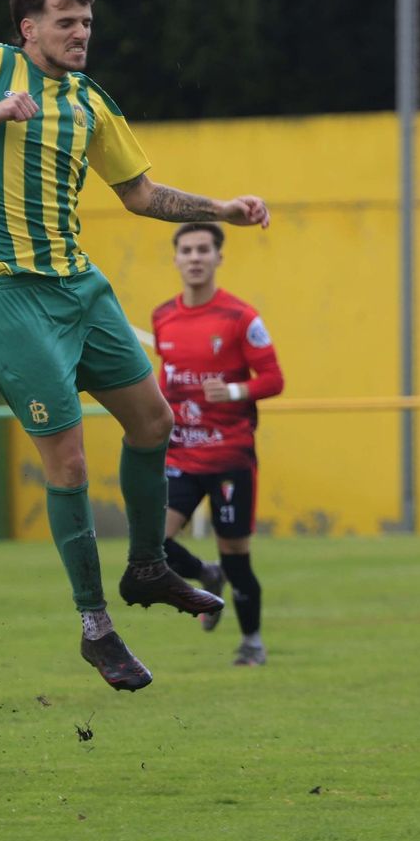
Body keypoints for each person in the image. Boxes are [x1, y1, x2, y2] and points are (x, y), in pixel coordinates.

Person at [0, 0, 269, 691]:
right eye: (66, 20)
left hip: (79, 287)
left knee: (153, 421)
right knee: (66, 462)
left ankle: (147, 567)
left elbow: (142, 193)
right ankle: (96, 626)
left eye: (87, 21)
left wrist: (219, 209)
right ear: (29, 27)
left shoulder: (90, 101)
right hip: (6, 297)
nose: (80, 32)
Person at [152, 222, 285, 666]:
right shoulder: (163, 316)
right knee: (152, 541)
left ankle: (252, 643)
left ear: (218, 257)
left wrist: (230, 392)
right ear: (175, 258)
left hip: (229, 457)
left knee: (237, 555)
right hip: (181, 455)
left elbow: (273, 380)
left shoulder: (241, 318)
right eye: (186, 250)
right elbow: (167, 377)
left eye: (203, 250)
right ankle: (204, 575)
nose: (194, 257)